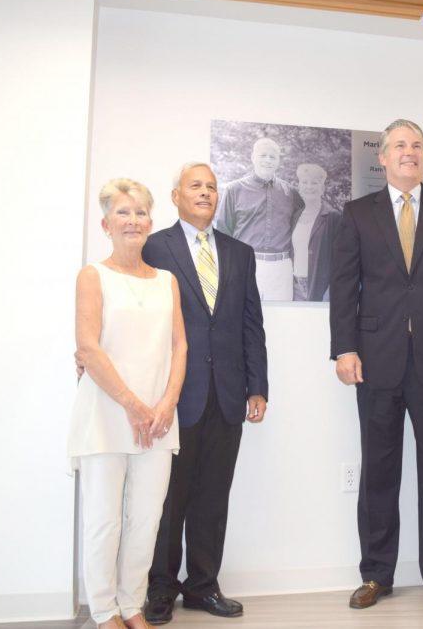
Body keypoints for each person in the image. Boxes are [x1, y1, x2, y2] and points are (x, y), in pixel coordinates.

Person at [329, 119, 423, 613]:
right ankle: (376, 574)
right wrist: (344, 348)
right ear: (383, 157)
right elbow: (343, 286)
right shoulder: (356, 214)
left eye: (416, 145)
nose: (410, 152)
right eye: (400, 145)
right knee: (378, 471)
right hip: (375, 360)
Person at [143, 162, 269, 625]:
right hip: (175, 394)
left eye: (212, 188)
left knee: (214, 496)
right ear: (175, 196)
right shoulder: (155, 246)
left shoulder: (240, 253)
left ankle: (202, 586)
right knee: (168, 497)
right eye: (195, 186)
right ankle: (160, 587)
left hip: (229, 394)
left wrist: (258, 386)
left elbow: (250, 324)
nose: (205, 193)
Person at [69, 178, 187, 629]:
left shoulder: (167, 281)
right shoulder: (92, 276)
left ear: (150, 222)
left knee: (146, 519)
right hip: (107, 414)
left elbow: (180, 347)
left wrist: (165, 404)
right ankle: (103, 612)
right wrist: (134, 406)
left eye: (140, 212)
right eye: (123, 212)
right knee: (104, 520)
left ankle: (132, 605)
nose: (133, 220)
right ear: (106, 223)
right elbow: (88, 348)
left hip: (158, 419)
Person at [215, 137, 305, 300]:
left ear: (278, 161)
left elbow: (296, 227)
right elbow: (223, 233)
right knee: (242, 320)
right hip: (245, 265)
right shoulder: (234, 190)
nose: (267, 160)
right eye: (263, 155)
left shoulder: (290, 192)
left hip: (281, 268)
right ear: (253, 157)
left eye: (272, 157)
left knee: (281, 320)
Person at [291, 163, 342, 301]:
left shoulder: (333, 217)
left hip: (321, 288)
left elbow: (342, 259)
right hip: (295, 287)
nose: (309, 186)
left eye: (314, 182)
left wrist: (330, 291)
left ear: (322, 188)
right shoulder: (294, 216)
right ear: (299, 187)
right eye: (305, 182)